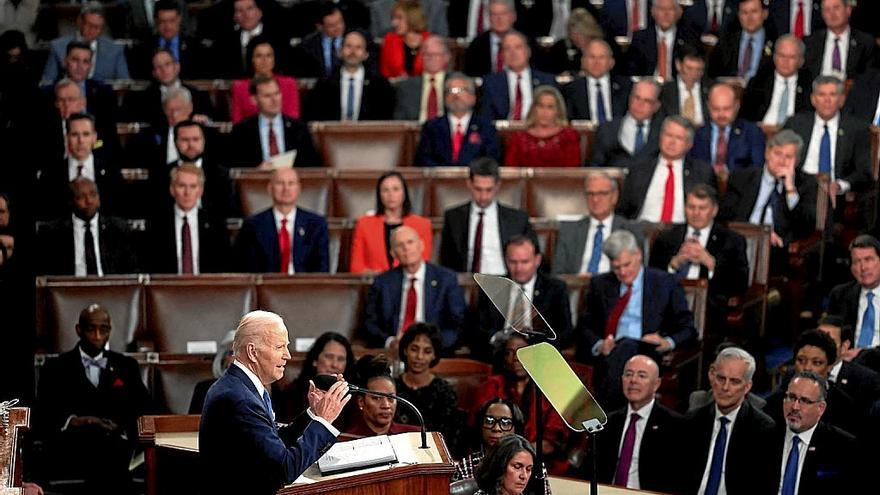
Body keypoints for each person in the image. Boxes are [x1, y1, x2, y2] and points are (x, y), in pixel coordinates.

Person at [200, 310, 351, 495]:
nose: (287, 355)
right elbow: (283, 469)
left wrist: (314, 414)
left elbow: (271, 443)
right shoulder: (239, 398)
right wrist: (324, 421)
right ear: (252, 352)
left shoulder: (242, 387)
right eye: (279, 347)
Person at [35, 304, 152, 493]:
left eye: (103, 329)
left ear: (110, 331)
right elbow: (43, 414)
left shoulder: (126, 365)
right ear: (79, 330)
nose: (97, 336)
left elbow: (145, 408)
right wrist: (74, 421)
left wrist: (122, 428)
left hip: (118, 453)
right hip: (71, 452)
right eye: (91, 329)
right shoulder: (55, 368)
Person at [575, 229, 697, 407]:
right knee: (622, 348)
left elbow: (688, 328)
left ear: (638, 255)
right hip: (610, 352)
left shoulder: (664, 282)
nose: (623, 272)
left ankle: (602, 414)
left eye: (627, 264)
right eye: (617, 268)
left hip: (647, 350)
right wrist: (600, 345)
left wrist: (667, 342)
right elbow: (584, 327)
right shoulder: (600, 284)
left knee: (629, 345)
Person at [648, 184, 749, 338]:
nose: (696, 213)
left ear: (714, 210)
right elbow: (651, 277)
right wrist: (673, 265)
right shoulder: (666, 237)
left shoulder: (732, 240)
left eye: (702, 208)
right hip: (669, 301)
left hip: (709, 304)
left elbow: (740, 283)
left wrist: (711, 263)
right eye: (691, 207)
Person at [682, 347, 777, 495]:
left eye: (734, 381)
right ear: (713, 378)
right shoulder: (692, 420)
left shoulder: (763, 429)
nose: (725, 387)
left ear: (747, 387)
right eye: (721, 378)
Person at [718, 130, 817, 271]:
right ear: (767, 153)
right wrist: (758, 234)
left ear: (797, 161)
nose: (781, 161)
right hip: (742, 241)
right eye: (777, 154)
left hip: (778, 250)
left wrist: (790, 189)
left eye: (788, 157)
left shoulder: (806, 184)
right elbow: (725, 218)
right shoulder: (742, 178)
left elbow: (807, 225)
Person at [472, 333, 569, 473]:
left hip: (542, 460)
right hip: (494, 458)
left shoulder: (548, 388)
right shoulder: (492, 385)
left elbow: (552, 441)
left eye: (522, 352)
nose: (516, 358)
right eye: (509, 353)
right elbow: (479, 429)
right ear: (503, 359)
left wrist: (520, 454)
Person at [363, 225, 466, 352]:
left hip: (434, 351)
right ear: (393, 253)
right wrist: (390, 342)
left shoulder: (446, 279)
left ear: (421, 246)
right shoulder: (382, 282)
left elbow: (458, 324)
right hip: (396, 350)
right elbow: (370, 324)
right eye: (400, 245)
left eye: (410, 242)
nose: (406, 248)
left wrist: (434, 345)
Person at [593, 355, 684, 493]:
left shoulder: (675, 425)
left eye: (642, 376)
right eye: (628, 374)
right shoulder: (607, 423)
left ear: (656, 384)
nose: (633, 380)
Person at [474, 235, 572, 360]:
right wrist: (500, 341)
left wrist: (536, 345)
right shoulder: (492, 287)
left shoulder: (555, 289)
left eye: (525, 262)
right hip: (499, 354)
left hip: (539, 355)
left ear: (537, 260)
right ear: (505, 260)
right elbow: (478, 329)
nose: (519, 268)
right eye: (513, 262)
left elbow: (565, 331)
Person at [439, 158, 536, 274]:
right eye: (478, 189)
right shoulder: (453, 217)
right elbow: (445, 260)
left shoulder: (517, 219)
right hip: (467, 283)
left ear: (497, 186)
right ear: (469, 184)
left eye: (489, 190)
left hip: (504, 283)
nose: (483, 196)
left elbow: (533, 256)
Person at [782, 75, 872, 197]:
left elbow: (863, 171)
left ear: (841, 100)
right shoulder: (795, 124)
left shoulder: (857, 129)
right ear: (813, 99)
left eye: (833, 95)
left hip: (835, 194)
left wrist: (841, 185)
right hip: (799, 188)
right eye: (821, 95)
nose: (827, 100)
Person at [770, 370, 859, 494]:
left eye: (805, 401)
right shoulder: (764, 435)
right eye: (791, 397)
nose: (795, 407)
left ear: (821, 408)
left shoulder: (842, 446)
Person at [762, 330, 863, 438]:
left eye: (817, 362)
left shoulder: (846, 409)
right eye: (801, 360)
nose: (807, 368)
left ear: (830, 367)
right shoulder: (773, 404)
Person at [616, 115, 716, 223]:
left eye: (679, 138)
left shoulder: (702, 172)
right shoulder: (639, 169)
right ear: (661, 137)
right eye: (668, 135)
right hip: (641, 230)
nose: (672, 142)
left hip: (680, 233)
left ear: (689, 144)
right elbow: (622, 211)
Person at [36, 177, 137, 276]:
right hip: (70, 290)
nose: (89, 201)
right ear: (70, 201)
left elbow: (131, 271)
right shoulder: (53, 232)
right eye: (81, 197)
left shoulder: (117, 229)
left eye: (93, 195)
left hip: (109, 289)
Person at [235, 167, 329, 273]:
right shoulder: (253, 226)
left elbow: (322, 271)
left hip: (304, 287)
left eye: (291, 183)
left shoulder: (316, 224)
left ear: (299, 189)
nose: (286, 188)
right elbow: (246, 270)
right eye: (280, 183)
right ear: (270, 189)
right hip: (268, 287)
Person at [454, 398, 554, 495]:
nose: (496, 428)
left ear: (516, 427)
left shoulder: (534, 463)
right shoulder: (466, 464)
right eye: (489, 421)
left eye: (505, 423)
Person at [552, 171, 643, 275]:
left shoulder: (630, 230)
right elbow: (558, 274)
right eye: (590, 194)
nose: (595, 199)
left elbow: (636, 273)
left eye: (602, 193)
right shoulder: (569, 231)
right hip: (577, 287)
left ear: (614, 196)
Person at [145, 164, 230, 274]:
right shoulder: (157, 224)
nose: (187, 193)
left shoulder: (215, 224)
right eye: (181, 186)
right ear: (172, 189)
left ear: (200, 191)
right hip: (169, 288)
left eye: (193, 186)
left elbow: (223, 266)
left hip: (206, 288)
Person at [38, 112, 122, 219]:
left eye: (86, 134)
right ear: (66, 138)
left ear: (94, 137)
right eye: (74, 135)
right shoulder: (51, 174)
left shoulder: (111, 171)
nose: (80, 141)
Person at [350, 171, 433, 273]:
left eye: (396, 189)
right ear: (379, 195)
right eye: (385, 190)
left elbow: (423, 263)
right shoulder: (364, 224)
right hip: (376, 284)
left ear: (404, 193)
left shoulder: (422, 225)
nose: (391, 195)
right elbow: (356, 267)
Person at [230, 75, 321, 167]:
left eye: (277, 93)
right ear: (254, 100)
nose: (274, 100)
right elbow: (234, 166)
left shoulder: (299, 128)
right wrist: (256, 172)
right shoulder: (241, 131)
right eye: (267, 96)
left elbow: (312, 165)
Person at [394, 323, 460, 449]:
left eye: (427, 351)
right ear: (405, 350)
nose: (419, 357)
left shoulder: (445, 392)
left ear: (434, 355)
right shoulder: (392, 387)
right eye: (414, 349)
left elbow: (449, 438)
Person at [414, 73, 501, 166]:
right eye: (451, 91)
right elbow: (423, 159)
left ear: (473, 97)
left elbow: (491, 159)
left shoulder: (486, 127)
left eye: (461, 90)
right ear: (445, 98)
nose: (456, 96)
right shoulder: (431, 127)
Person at [306, 30, 395, 121]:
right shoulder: (324, 85)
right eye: (349, 46)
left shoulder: (380, 85)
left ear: (365, 54)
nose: (353, 51)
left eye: (358, 47)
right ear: (340, 51)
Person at [154, 119, 234, 218]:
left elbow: (226, 210)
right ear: (175, 142)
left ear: (203, 141)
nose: (191, 145)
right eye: (185, 140)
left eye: (195, 139)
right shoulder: (162, 173)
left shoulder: (220, 173)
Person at [273, 332, 356, 424]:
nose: (335, 365)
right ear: (315, 360)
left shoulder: (352, 397)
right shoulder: (292, 393)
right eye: (329, 357)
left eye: (340, 359)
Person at [689, 82, 766, 178]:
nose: (721, 114)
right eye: (716, 109)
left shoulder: (752, 133)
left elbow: (757, 169)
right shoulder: (697, 134)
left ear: (736, 106)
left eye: (726, 109)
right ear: (708, 107)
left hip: (740, 188)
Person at [123, 48, 213, 129]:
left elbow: (211, 121)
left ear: (177, 67)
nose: (164, 70)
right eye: (158, 67)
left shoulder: (199, 95)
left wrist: (205, 121)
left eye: (167, 64)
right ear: (154, 73)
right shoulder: (142, 100)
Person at [41, 2, 129, 84]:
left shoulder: (115, 50)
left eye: (97, 27)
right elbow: (46, 83)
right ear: (79, 21)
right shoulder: (58, 47)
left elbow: (124, 83)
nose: (92, 30)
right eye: (89, 25)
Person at [478, 31, 556, 121]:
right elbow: (486, 117)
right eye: (507, 49)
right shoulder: (491, 83)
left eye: (518, 47)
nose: (513, 53)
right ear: (502, 55)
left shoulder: (547, 81)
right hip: (504, 132)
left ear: (528, 51)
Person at [589, 79, 664, 168]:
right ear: (629, 98)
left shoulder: (663, 132)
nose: (640, 104)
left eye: (647, 101)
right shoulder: (607, 130)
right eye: (637, 98)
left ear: (656, 106)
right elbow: (595, 167)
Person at [741, 34, 814, 124]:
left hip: (795, 134)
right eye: (781, 56)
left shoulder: (809, 85)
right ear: (774, 57)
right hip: (762, 131)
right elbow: (745, 117)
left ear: (801, 61)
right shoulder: (758, 82)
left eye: (791, 57)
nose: (785, 61)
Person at [344, 354, 421, 437]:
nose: (386, 405)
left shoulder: (415, 436)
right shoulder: (346, 440)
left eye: (391, 398)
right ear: (361, 401)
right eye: (377, 398)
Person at [207, 0, 288, 79]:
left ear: (260, 13)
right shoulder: (225, 41)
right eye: (239, 10)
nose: (245, 14)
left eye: (250, 8)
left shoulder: (278, 37)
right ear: (234, 17)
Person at [503, 86, 581, 167]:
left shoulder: (569, 137)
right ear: (534, 108)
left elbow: (572, 170)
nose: (544, 112)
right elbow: (511, 169)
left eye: (550, 107)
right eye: (541, 106)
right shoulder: (518, 138)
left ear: (557, 110)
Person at [230, 36, 301, 123]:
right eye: (259, 56)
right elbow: (237, 122)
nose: (264, 60)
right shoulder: (240, 87)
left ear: (274, 59)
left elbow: (293, 119)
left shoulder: (289, 84)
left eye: (269, 55)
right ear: (252, 59)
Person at [827, 235, 880, 352]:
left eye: (868, 259)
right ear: (851, 268)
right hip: (848, 363)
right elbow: (829, 339)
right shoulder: (840, 295)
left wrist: (864, 355)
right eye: (856, 262)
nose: (863, 267)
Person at [625, 0, 700, 79]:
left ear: (679, 13)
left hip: (676, 86)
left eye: (670, 9)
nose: (666, 14)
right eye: (661, 9)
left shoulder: (688, 38)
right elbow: (631, 70)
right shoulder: (640, 37)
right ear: (653, 13)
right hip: (648, 85)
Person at [563, 38, 631, 124]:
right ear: (583, 62)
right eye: (592, 57)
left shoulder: (626, 87)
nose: (596, 62)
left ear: (611, 62)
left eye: (601, 57)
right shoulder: (571, 90)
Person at [815, 314, 880, 404]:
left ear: (844, 347)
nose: (820, 347)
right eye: (816, 340)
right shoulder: (795, 374)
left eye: (829, 342)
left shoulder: (867, 381)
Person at [129, 0, 202, 79]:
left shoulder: (196, 46)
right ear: (156, 21)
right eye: (163, 22)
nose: (168, 27)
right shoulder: (143, 48)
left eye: (172, 21)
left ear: (179, 19)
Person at [803, 0, 874, 79]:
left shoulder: (865, 42)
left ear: (848, 10)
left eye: (836, 8)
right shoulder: (810, 42)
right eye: (827, 10)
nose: (832, 14)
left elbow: (869, 77)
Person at [707, 0, 773, 83]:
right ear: (739, 15)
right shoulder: (726, 40)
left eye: (754, 12)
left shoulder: (774, 42)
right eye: (744, 12)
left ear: (765, 14)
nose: (750, 18)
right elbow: (712, 73)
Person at [393, 35, 450, 121]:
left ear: (446, 57)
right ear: (421, 57)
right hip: (416, 131)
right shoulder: (406, 86)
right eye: (427, 54)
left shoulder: (456, 83)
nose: (431, 58)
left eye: (436, 54)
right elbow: (399, 120)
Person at [540, 7, 604, 75]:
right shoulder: (561, 47)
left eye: (581, 33)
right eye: (574, 34)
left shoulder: (603, 47)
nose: (577, 38)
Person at [658, 43, 710, 128]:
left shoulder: (711, 90)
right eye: (689, 68)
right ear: (678, 65)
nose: (693, 74)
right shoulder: (665, 91)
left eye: (698, 70)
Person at [463, 0, 517, 76]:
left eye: (503, 14)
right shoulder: (476, 45)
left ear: (513, 17)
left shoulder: (526, 42)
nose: (499, 19)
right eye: (494, 14)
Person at [378, 0, 431, 78]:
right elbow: (385, 74)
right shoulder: (390, 40)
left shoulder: (430, 41)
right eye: (393, 18)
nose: (394, 23)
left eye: (399, 18)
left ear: (413, 18)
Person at [293, 2, 346, 78]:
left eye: (340, 21)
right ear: (320, 27)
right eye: (332, 25)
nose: (338, 27)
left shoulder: (357, 38)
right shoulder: (307, 46)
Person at [189, 330, 236, 414]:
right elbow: (191, 424)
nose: (235, 358)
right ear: (224, 359)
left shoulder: (260, 391)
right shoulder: (204, 389)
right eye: (231, 353)